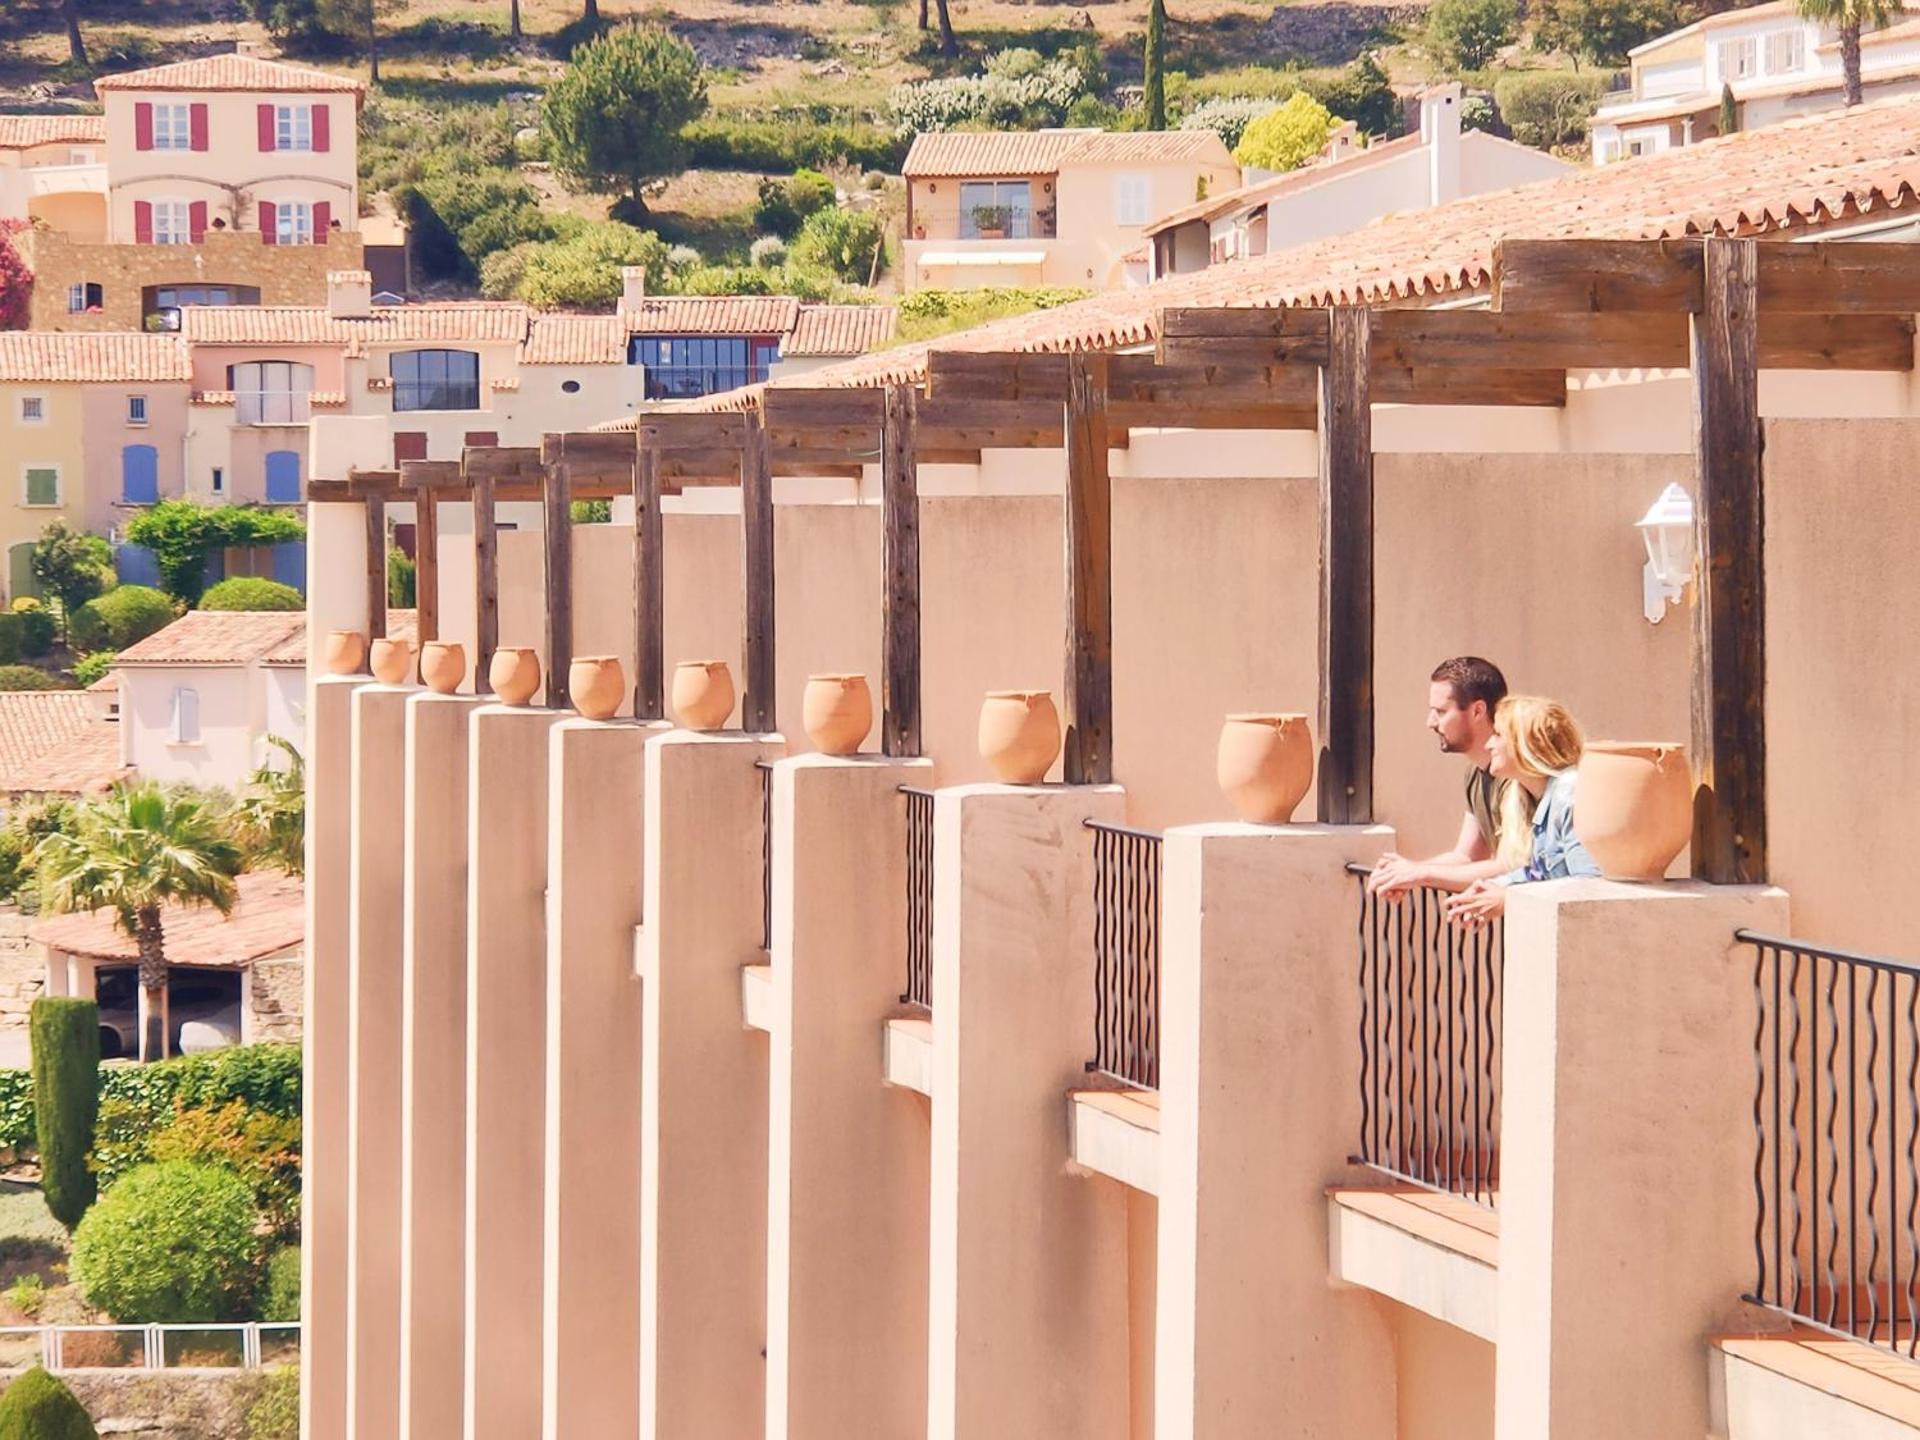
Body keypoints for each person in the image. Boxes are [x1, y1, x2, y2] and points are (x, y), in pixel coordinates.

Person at [1368, 656, 1520, 898]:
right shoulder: (1474, 773)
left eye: (1440, 712)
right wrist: (1407, 873)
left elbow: (1512, 865)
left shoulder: (1515, 773)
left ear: (1477, 710)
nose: (1430, 722)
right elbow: (1466, 856)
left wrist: (1420, 874)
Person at [1444, 695, 1600, 928]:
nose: (1489, 745)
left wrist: (1509, 898)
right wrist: (1495, 888)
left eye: (1497, 735)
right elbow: (1539, 875)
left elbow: (1589, 886)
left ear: (1526, 742)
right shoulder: (1536, 800)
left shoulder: (1570, 794)